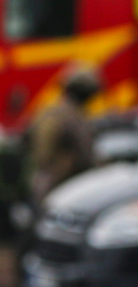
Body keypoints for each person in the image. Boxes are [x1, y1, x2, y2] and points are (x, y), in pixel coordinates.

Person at [28, 64, 101, 206]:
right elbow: (86, 156)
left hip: (39, 184)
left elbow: (25, 140)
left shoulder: (47, 112)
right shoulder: (76, 119)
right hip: (64, 188)